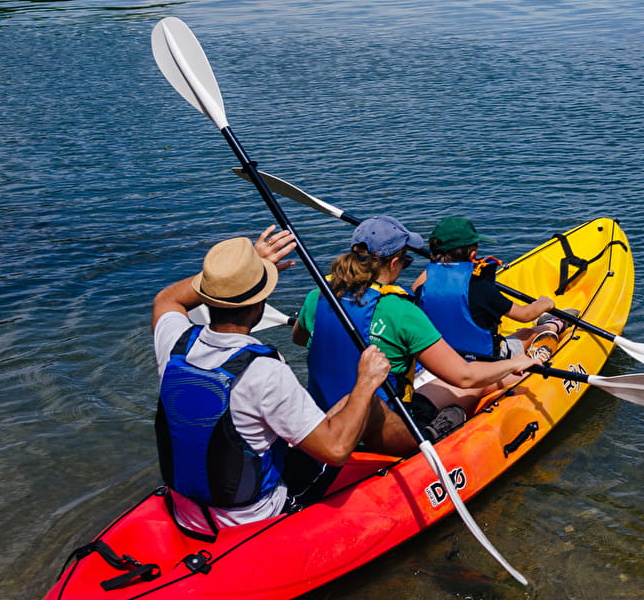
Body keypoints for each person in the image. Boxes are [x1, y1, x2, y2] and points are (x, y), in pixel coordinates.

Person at [153, 226, 391, 537]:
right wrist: (366, 380)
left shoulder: (174, 342)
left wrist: (232, 274)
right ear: (259, 306)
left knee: (342, 407)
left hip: (188, 512)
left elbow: (167, 298)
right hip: (254, 515)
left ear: (207, 298)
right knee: (362, 403)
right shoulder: (265, 370)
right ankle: (428, 445)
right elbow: (335, 451)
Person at [291, 215, 536, 457]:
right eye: (406, 261)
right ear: (394, 262)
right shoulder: (400, 310)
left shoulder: (319, 295)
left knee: (437, 386)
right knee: (473, 387)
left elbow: (300, 339)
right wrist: (513, 363)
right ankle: (433, 431)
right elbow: (465, 377)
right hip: (384, 430)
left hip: (324, 419)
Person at [412, 216, 567, 361]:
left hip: (440, 358)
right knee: (526, 333)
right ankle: (554, 324)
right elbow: (525, 315)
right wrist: (545, 303)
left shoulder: (423, 288)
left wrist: (440, 262)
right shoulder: (480, 288)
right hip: (484, 359)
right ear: (473, 253)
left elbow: (419, 282)